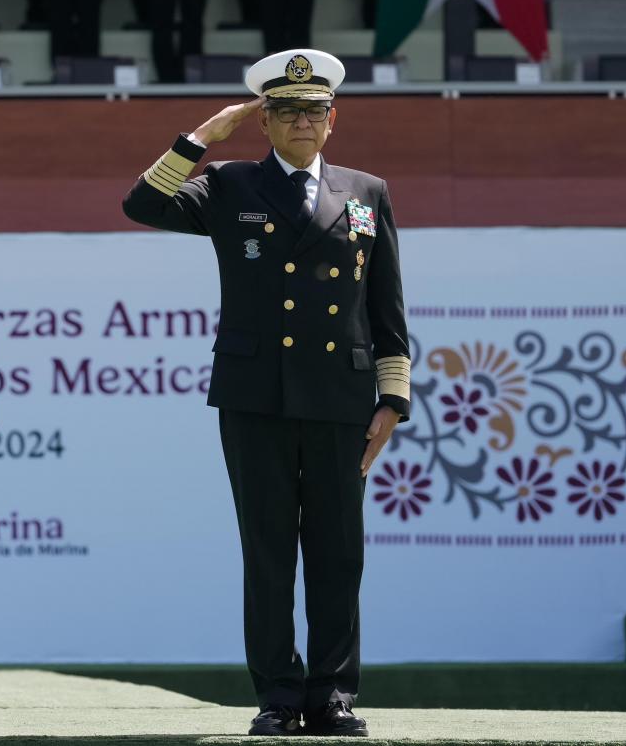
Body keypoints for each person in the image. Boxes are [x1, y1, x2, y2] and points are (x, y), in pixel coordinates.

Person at [121, 49, 410, 739]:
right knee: (270, 549)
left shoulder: (366, 190)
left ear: (333, 120)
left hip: (341, 394)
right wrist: (202, 138)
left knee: (339, 551)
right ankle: (279, 694)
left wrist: (392, 397)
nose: (302, 122)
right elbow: (143, 203)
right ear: (265, 122)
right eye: (286, 111)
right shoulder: (230, 184)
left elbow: (386, 304)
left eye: (314, 111)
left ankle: (334, 694)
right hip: (256, 396)